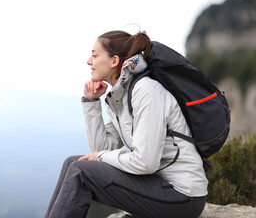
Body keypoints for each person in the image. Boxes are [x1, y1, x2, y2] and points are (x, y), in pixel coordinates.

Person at [44, 30, 208, 218]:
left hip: (182, 197)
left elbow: (146, 162)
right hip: (159, 185)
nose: (89, 61)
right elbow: (101, 148)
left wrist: (102, 156)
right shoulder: (121, 96)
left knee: (80, 171)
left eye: (95, 55)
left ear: (114, 61)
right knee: (72, 163)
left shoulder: (146, 91)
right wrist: (91, 103)